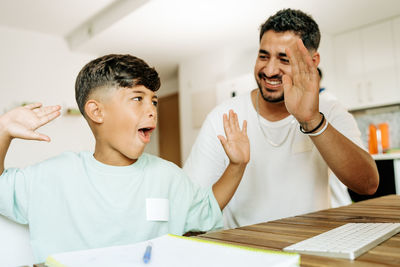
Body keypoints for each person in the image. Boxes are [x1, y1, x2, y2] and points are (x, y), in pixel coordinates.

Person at [0, 54, 250, 262]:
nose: (151, 110)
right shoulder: (53, 175)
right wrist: (3, 132)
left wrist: (237, 165)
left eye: (154, 102)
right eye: (138, 99)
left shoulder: (167, 176)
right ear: (97, 111)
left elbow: (207, 208)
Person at [183, 9, 379, 229]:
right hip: (247, 248)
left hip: (315, 246)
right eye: (263, 56)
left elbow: (368, 184)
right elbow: (191, 205)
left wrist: (312, 120)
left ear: (312, 62)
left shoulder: (330, 111)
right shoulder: (222, 117)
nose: (270, 69)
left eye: (284, 59)